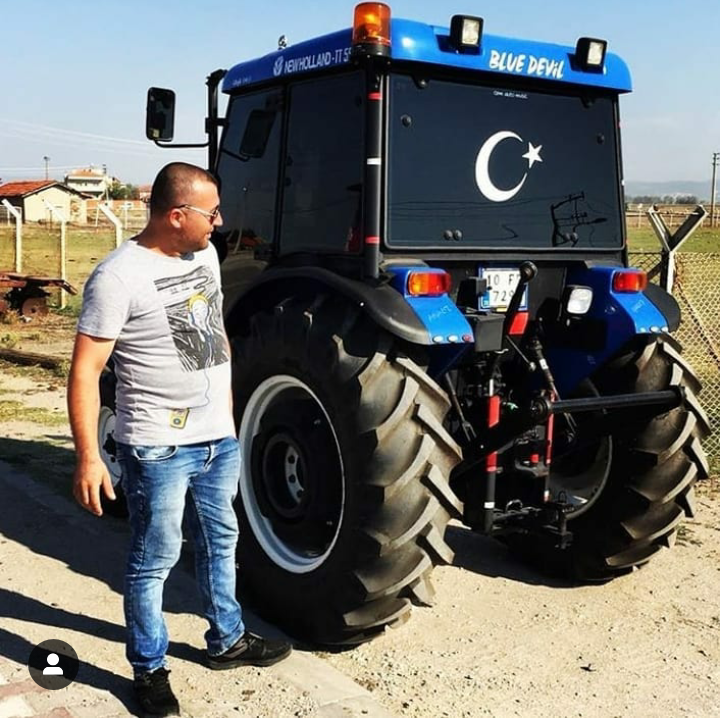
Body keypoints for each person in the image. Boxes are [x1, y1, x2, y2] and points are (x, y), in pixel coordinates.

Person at [67, 162, 291, 717]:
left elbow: (209, 335)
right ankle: (148, 668)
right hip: (157, 448)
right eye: (210, 212)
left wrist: (229, 416)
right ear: (175, 216)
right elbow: (85, 372)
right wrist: (90, 457)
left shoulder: (204, 255)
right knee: (155, 557)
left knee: (222, 540)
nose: (219, 221)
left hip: (217, 440)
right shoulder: (117, 277)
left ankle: (228, 638)